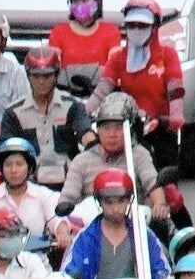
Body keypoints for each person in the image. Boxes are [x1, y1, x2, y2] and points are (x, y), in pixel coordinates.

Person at [92, 0, 185, 171]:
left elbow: (176, 89)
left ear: (155, 27)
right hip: (127, 127)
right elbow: (102, 89)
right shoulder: (119, 57)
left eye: (142, 26)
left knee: (167, 182)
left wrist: (176, 115)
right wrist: (87, 111)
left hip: (161, 127)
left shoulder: (168, 55)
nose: (136, 30)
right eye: (131, 25)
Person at [59, 94, 167, 226]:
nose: (111, 134)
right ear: (97, 130)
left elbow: (152, 184)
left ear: (130, 129)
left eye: (118, 128)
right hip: (91, 229)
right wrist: (64, 208)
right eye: (105, 128)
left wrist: (159, 205)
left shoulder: (139, 155)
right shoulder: (82, 160)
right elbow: (68, 196)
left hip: (133, 227)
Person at [60, 167, 171, 279]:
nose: (116, 208)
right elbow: (68, 276)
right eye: (109, 202)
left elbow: (162, 272)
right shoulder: (84, 238)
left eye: (121, 200)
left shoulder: (144, 235)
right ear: (99, 202)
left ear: (130, 199)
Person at [0, 46, 91, 191]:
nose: (41, 82)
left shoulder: (72, 105)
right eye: (36, 76)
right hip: (28, 185)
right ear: (28, 76)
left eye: (47, 76)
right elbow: (5, 149)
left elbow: (85, 132)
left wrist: (91, 141)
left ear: (56, 75)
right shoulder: (13, 112)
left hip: (70, 184)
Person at [48, 0, 119, 84]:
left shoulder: (111, 31)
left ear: (97, 2)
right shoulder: (59, 32)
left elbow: (114, 66)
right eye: (75, 1)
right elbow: (52, 66)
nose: (80, 5)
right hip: (66, 91)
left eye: (85, 0)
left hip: (100, 91)